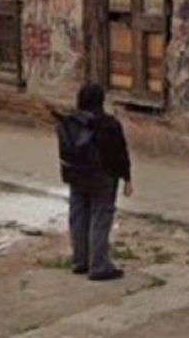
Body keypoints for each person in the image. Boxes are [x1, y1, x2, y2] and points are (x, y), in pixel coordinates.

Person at [56, 83, 133, 281]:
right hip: (102, 176)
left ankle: (80, 260)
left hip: (75, 175)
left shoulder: (70, 122)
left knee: (78, 217)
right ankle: (99, 265)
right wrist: (127, 177)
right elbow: (120, 153)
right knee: (100, 218)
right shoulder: (108, 124)